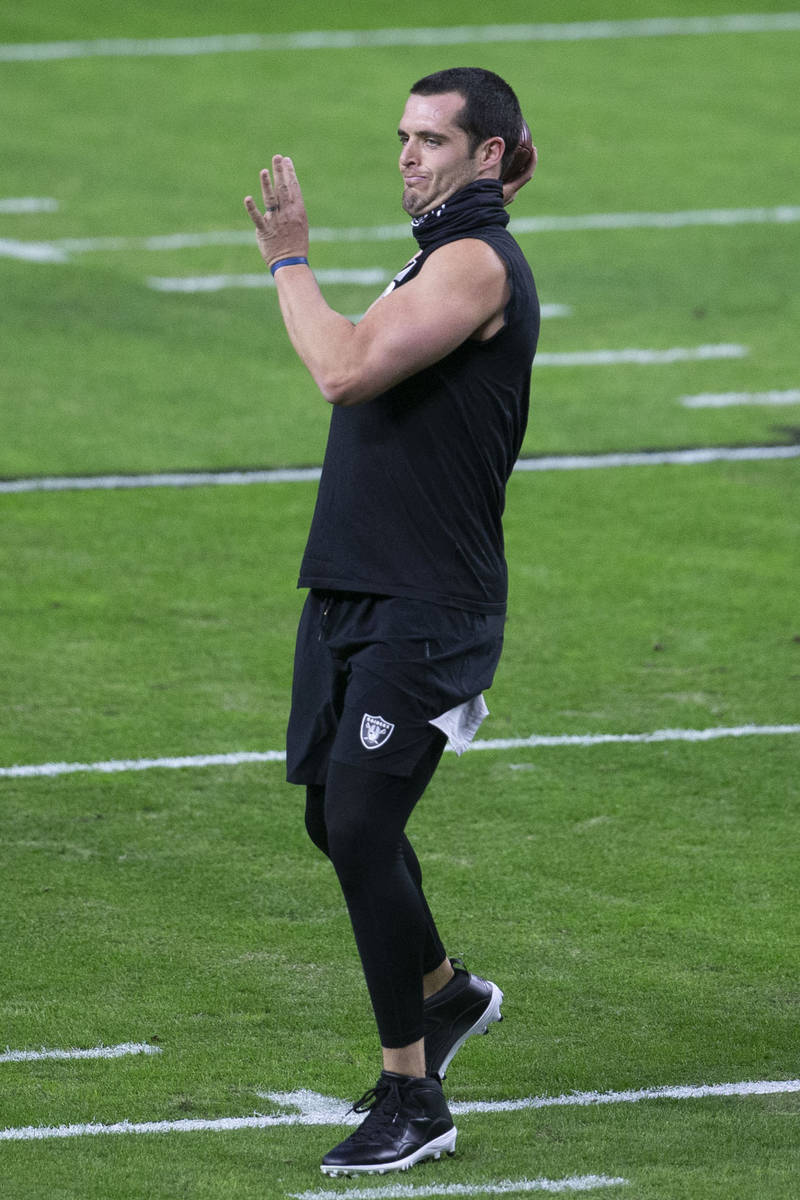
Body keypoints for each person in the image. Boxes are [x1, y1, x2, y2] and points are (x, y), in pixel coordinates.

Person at [245, 66, 539, 1179]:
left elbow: (342, 367)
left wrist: (287, 260)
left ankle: (413, 1096)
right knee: (333, 818)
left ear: (490, 155)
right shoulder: (434, 251)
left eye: (432, 139)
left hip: (427, 603)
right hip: (356, 589)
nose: (408, 155)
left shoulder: (473, 261)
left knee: (364, 828)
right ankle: (445, 992)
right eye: (402, 136)